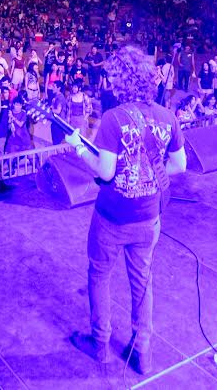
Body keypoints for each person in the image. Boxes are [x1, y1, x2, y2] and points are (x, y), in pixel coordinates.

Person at [67, 45, 187, 375]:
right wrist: (150, 177)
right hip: (148, 218)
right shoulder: (167, 117)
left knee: (99, 275)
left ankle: (100, 345)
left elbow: (105, 173)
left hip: (112, 217)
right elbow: (180, 165)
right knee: (142, 281)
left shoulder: (113, 118)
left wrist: (79, 148)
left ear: (119, 81)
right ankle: (142, 352)